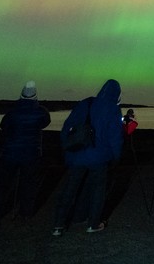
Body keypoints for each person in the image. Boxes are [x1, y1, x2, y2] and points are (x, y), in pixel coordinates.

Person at [52, 79, 123, 236]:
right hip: (99, 158)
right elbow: (115, 138)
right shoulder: (113, 110)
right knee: (98, 190)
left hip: (77, 155)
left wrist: (67, 147)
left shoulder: (86, 103)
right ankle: (93, 224)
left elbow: (67, 126)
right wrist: (116, 158)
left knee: (70, 189)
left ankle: (58, 225)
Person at [0, 81, 51, 222]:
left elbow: (3, 126)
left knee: (2, 184)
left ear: (21, 95)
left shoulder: (12, 113)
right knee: (28, 184)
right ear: (35, 96)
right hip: (31, 154)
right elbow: (46, 122)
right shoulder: (41, 112)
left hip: (10, 153)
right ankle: (26, 213)